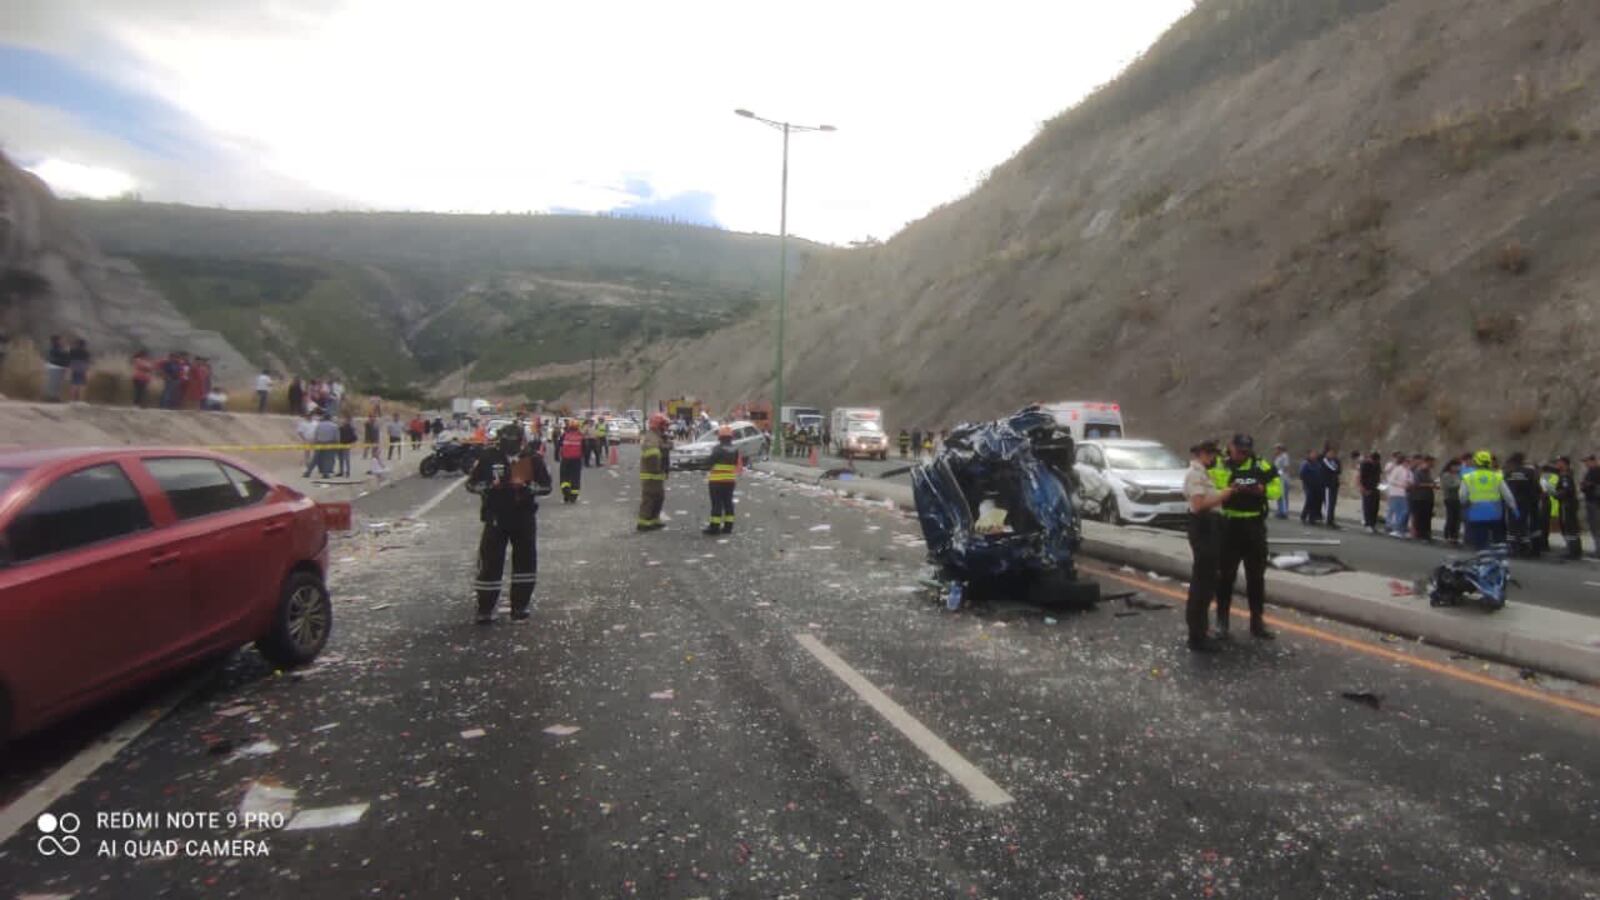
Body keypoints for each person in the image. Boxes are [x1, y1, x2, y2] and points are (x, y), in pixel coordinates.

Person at [466, 423, 552, 624]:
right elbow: (471, 484)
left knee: (525, 563)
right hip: (496, 517)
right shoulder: (489, 457)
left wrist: (528, 487)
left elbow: (546, 486)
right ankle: (485, 608)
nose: (509, 446)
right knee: (490, 564)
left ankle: (520, 606)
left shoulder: (533, 458)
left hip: (523, 517)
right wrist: (489, 486)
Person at [1210, 433, 1282, 639]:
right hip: (1229, 526)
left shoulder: (1262, 465)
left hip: (1254, 526)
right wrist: (1231, 489)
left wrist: (1262, 490)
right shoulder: (1221, 464)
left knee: (1256, 578)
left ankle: (1257, 622)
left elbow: (1278, 490)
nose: (1242, 454)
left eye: (1246, 451)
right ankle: (1222, 622)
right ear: (1230, 447)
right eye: (1239, 450)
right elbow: (1212, 486)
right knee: (1225, 577)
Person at [1183, 441, 1234, 653]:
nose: (1214, 458)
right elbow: (1198, 505)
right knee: (1202, 582)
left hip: (1209, 527)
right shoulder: (1196, 474)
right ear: (1203, 453)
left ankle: (1200, 631)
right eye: (1212, 454)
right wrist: (1222, 496)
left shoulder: (1203, 473)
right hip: (1203, 527)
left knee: (1208, 580)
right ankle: (1197, 635)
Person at [1461, 449, 1517, 550]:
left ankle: (1482, 558)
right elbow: (1507, 495)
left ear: (1476, 462)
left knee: (1480, 540)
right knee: (1497, 539)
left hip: (1476, 512)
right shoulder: (1497, 476)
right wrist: (1513, 507)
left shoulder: (1468, 477)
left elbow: (1462, 496)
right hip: (1494, 512)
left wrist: (1465, 504)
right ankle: (1497, 559)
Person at [702, 425, 740, 535]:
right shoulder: (735, 449)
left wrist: (703, 465)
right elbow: (735, 463)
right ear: (730, 437)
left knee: (717, 504)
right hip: (730, 481)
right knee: (728, 503)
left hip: (717, 481)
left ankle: (714, 528)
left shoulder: (717, 449)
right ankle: (728, 527)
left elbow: (709, 462)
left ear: (720, 437)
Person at [637, 413, 671, 531]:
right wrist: (658, 470)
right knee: (649, 499)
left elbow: (664, 450)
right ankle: (643, 523)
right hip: (651, 475)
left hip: (657, 475)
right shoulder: (651, 437)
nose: (666, 428)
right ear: (657, 425)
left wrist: (667, 444)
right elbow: (652, 455)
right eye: (664, 425)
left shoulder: (658, 436)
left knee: (659, 498)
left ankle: (654, 520)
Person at [1503, 453, 1540, 555]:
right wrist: (1534, 500)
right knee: (1523, 525)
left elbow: (1504, 488)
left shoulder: (1508, 472)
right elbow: (1535, 487)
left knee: (1512, 525)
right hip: (1525, 503)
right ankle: (1524, 548)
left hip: (1512, 502)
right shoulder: (1529, 472)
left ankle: (1512, 547)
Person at [1554, 456, 1583, 560]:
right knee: (1570, 527)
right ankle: (1574, 550)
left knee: (1569, 527)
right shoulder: (1565, 474)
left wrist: (1556, 494)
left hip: (1567, 504)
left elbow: (1566, 490)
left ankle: (1573, 551)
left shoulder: (1565, 476)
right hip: (1568, 504)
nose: (1557, 464)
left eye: (1558, 462)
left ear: (1564, 463)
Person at [1384, 452, 1412, 537]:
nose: (1408, 463)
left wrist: (1409, 483)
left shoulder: (1408, 471)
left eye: (1409, 461)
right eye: (1407, 461)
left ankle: (1400, 529)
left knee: (1405, 511)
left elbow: (1411, 479)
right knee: (1398, 511)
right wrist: (1401, 485)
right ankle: (1396, 529)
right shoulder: (1397, 469)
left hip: (1404, 493)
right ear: (1403, 461)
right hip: (1396, 492)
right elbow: (1391, 480)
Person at [1409, 455, 1437, 542]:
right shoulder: (1419, 471)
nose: (1433, 464)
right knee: (1419, 517)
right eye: (1431, 462)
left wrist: (1434, 484)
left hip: (1428, 497)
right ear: (1426, 462)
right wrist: (1429, 485)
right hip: (1419, 497)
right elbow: (1416, 484)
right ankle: (1419, 534)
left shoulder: (1428, 472)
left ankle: (1426, 534)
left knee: (1427, 517)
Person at [558, 419, 585, 503]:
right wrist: (583, 457)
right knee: (575, 478)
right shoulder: (581, 436)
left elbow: (558, 445)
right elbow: (585, 448)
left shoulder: (564, 435)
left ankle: (566, 493)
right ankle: (574, 496)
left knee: (564, 477)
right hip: (577, 460)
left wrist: (557, 456)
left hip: (565, 459)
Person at [1440, 457, 1464, 546]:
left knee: (1458, 518)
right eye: (1456, 466)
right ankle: (1447, 536)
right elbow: (1449, 486)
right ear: (1451, 466)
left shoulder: (1459, 475)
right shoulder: (1446, 475)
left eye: (1459, 466)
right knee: (1451, 517)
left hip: (1458, 498)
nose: (1458, 468)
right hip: (1450, 498)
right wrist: (1460, 484)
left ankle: (1455, 536)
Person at [1298, 449, 1325, 525]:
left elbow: (1320, 473)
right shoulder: (1306, 463)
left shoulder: (1317, 463)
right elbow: (1302, 474)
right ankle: (1304, 516)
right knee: (1309, 500)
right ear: (1309, 455)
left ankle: (1312, 518)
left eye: (1315, 454)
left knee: (1315, 501)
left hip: (1316, 485)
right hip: (1308, 485)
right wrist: (1307, 481)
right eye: (1312, 454)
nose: (1314, 456)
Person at [1358, 451, 1382, 532]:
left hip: (1376, 488)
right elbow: (1360, 477)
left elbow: (1379, 477)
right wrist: (1362, 488)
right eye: (1374, 460)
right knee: (1368, 507)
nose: (1375, 462)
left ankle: (1373, 524)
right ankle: (1368, 524)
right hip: (1367, 488)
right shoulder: (1365, 464)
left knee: (1375, 507)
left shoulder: (1378, 465)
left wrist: (1381, 488)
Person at [1321, 442, 1342, 528]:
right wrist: (1336, 468)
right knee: (1328, 502)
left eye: (1333, 453)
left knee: (1333, 503)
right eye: (1331, 453)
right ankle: (1327, 519)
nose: (1332, 454)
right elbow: (1333, 469)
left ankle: (1331, 519)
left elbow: (1339, 470)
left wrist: (1337, 466)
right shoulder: (1325, 460)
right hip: (1327, 484)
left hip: (1335, 484)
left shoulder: (1335, 460)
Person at [42, 335, 69, 402]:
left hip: (56, 366)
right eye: (60, 340)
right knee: (54, 383)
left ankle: (53, 397)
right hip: (56, 367)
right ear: (56, 341)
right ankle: (52, 397)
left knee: (55, 383)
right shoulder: (55, 348)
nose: (61, 341)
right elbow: (62, 356)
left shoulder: (57, 348)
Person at [1583, 455, 1600, 559]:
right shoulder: (1591, 471)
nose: (1586, 464)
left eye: (1587, 461)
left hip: (1595, 502)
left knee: (1596, 528)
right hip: (1592, 501)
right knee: (1594, 528)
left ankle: (1598, 552)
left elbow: (1590, 485)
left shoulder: (1596, 471)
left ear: (1593, 461)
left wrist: (1586, 485)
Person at [1272, 444, 1291, 519]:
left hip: (1283, 479)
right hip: (1278, 479)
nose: (1275, 451)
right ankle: (1280, 511)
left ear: (1280, 449)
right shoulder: (1278, 457)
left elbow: (1286, 467)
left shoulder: (1284, 456)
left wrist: (1278, 473)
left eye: (1276, 449)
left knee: (1283, 496)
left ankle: (1284, 512)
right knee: (1279, 495)